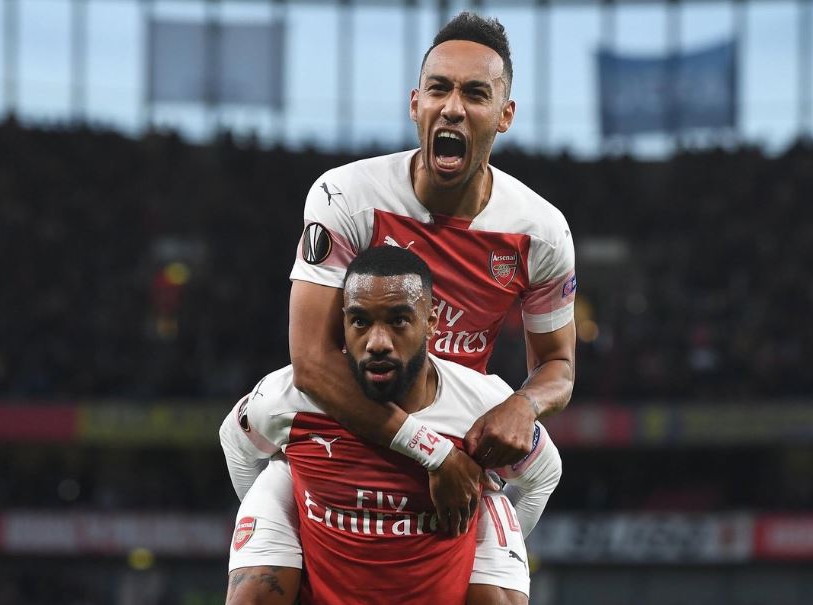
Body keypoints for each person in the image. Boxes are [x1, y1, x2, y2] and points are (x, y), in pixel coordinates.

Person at [221, 9, 576, 602]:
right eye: (439, 89)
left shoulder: (539, 231)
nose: (452, 107)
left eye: (475, 94)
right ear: (416, 104)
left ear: (505, 115)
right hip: (347, 421)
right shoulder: (348, 196)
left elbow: (559, 367)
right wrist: (428, 455)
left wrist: (524, 404)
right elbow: (311, 362)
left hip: (455, 419)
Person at [222, 247, 561, 605]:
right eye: (360, 322)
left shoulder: (483, 407)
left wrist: (482, 535)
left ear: (431, 322)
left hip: (440, 587)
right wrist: (282, 529)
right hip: (319, 584)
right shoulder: (289, 396)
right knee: (254, 588)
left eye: (398, 321)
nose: (377, 343)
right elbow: (234, 440)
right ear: (343, 323)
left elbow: (544, 474)